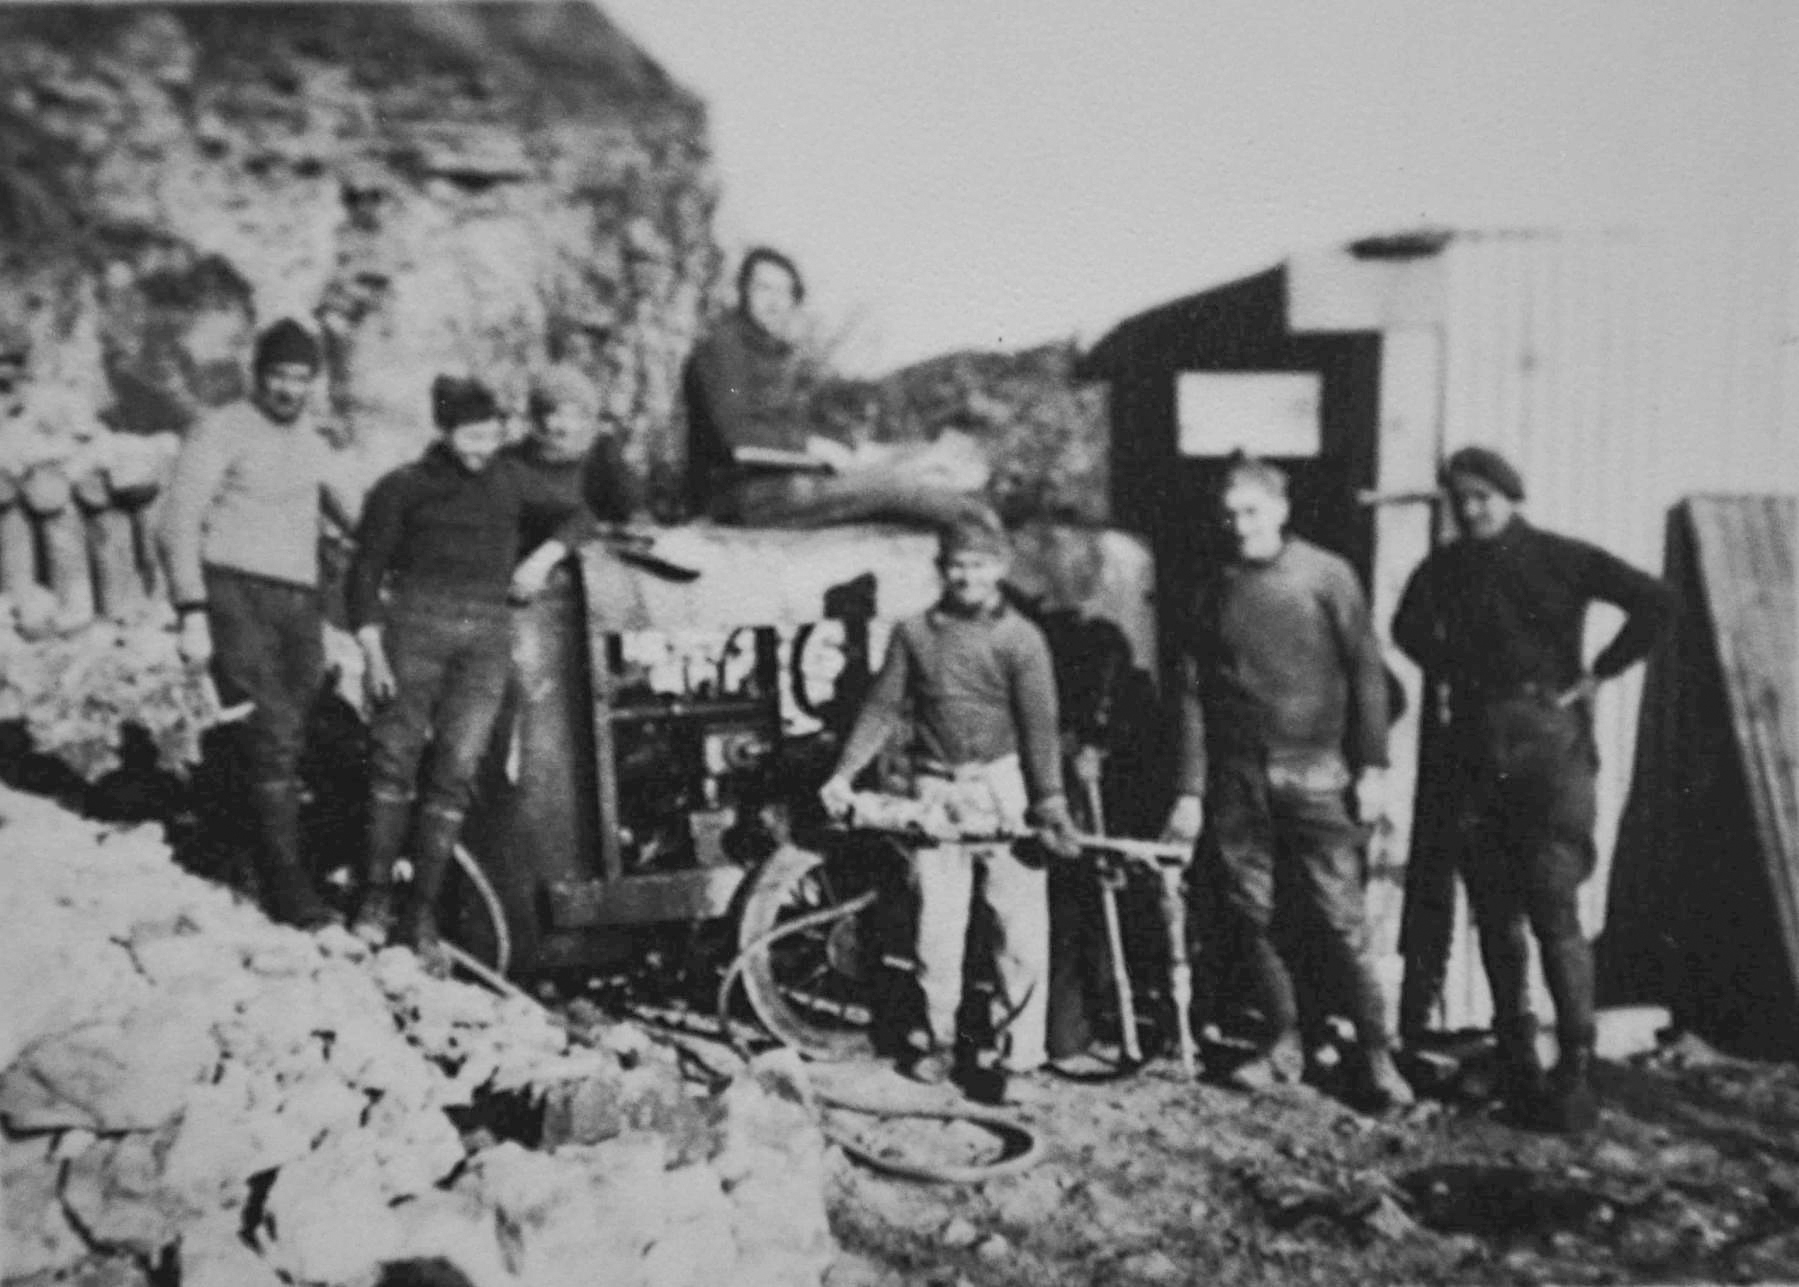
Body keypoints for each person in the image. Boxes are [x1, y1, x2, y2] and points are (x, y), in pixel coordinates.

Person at [1392, 445, 1672, 1132]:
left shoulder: (1561, 557)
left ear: (1510, 497)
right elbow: (1405, 628)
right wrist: (1455, 669)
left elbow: (1656, 602)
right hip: (1474, 748)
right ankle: (1517, 1059)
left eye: (1482, 497)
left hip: (1548, 750)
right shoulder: (1444, 568)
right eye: (1459, 500)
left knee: (1552, 904)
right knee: (1493, 911)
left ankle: (1574, 1069)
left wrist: (1599, 672)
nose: (1470, 511)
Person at [1161, 456, 1413, 1110]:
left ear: (1280, 509)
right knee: (1254, 913)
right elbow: (1190, 692)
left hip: (1318, 773)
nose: (1239, 524)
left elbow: (1368, 673)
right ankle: (1282, 1043)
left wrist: (1374, 766)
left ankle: (1377, 1055)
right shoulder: (1208, 586)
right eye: (1229, 513)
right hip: (1238, 779)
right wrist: (1189, 790)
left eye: (1251, 511)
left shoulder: (1325, 576)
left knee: (1339, 917)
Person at [818, 513, 1080, 1085]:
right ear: (941, 568)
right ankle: (938, 1040)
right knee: (935, 932)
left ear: (1000, 568)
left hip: (1003, 790)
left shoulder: (1021, 640)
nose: (967, 576)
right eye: (957, 565)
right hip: (935, 792)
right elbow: (882, 707)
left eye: (979, 565)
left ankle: (1018, 1057)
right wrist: (843, 775)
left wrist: (1050, 802)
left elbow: (1040, 727)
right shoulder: (915, 634)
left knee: (1019, 933)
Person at [346, 376, 593, 963]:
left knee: (457, 770)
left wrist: (543, 557)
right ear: (445, 431)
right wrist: (373, 652)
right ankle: (374, 901)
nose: (482, 448)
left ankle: (420, 914)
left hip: (485, 640)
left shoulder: (511, 481)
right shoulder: (403, 488)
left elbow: (580, 518)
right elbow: (363, 575)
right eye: (470, 436)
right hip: (414, 632)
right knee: (393, 762)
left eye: (491, 435)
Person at [159, 319, 357, 929]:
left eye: (301, 378)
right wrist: (191, 611)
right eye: (278, 376)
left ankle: (250, 847)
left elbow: (357, 516)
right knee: (270, 729)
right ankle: (285, 887)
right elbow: (177, 521)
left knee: (302, 725)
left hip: (299, 603)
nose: (289, 389)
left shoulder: (313, 440)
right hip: (234, 594)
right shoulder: (221, 429)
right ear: (257, 374)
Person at [684, 246, 993, 529]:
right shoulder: (724, 348)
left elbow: (792, 427)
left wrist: (850, 449)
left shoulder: (771, 352)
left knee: (923, 467)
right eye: (763, 288)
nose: (775, 302)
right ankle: (977, 532)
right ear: (742, 291)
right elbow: (736, 435)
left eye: (784, 292)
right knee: (903, 489)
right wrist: (812, 448)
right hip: (745, 494)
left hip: (781, 483)